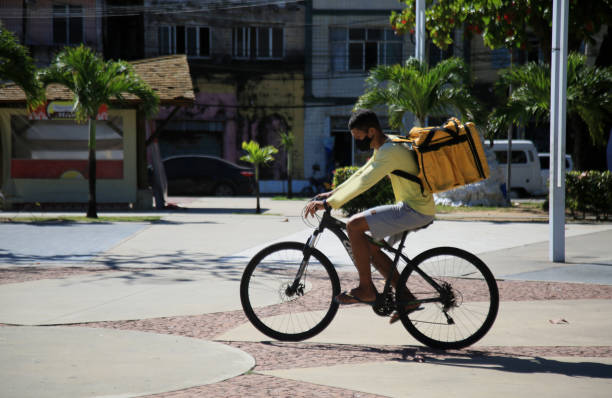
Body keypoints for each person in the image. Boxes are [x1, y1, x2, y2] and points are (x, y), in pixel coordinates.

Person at [305, 109, 435, 322]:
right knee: (370, 247)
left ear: (372, 131)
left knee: (354, 225)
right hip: (414, 207)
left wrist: (330, 203)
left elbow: (365, 183)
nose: (358, 142)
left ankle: (366, 289)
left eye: (359, 137)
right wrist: (333, 193)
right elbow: (362, 173)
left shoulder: (389, 152)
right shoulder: (387, 145)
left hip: (414, 209)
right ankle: (408, 298)